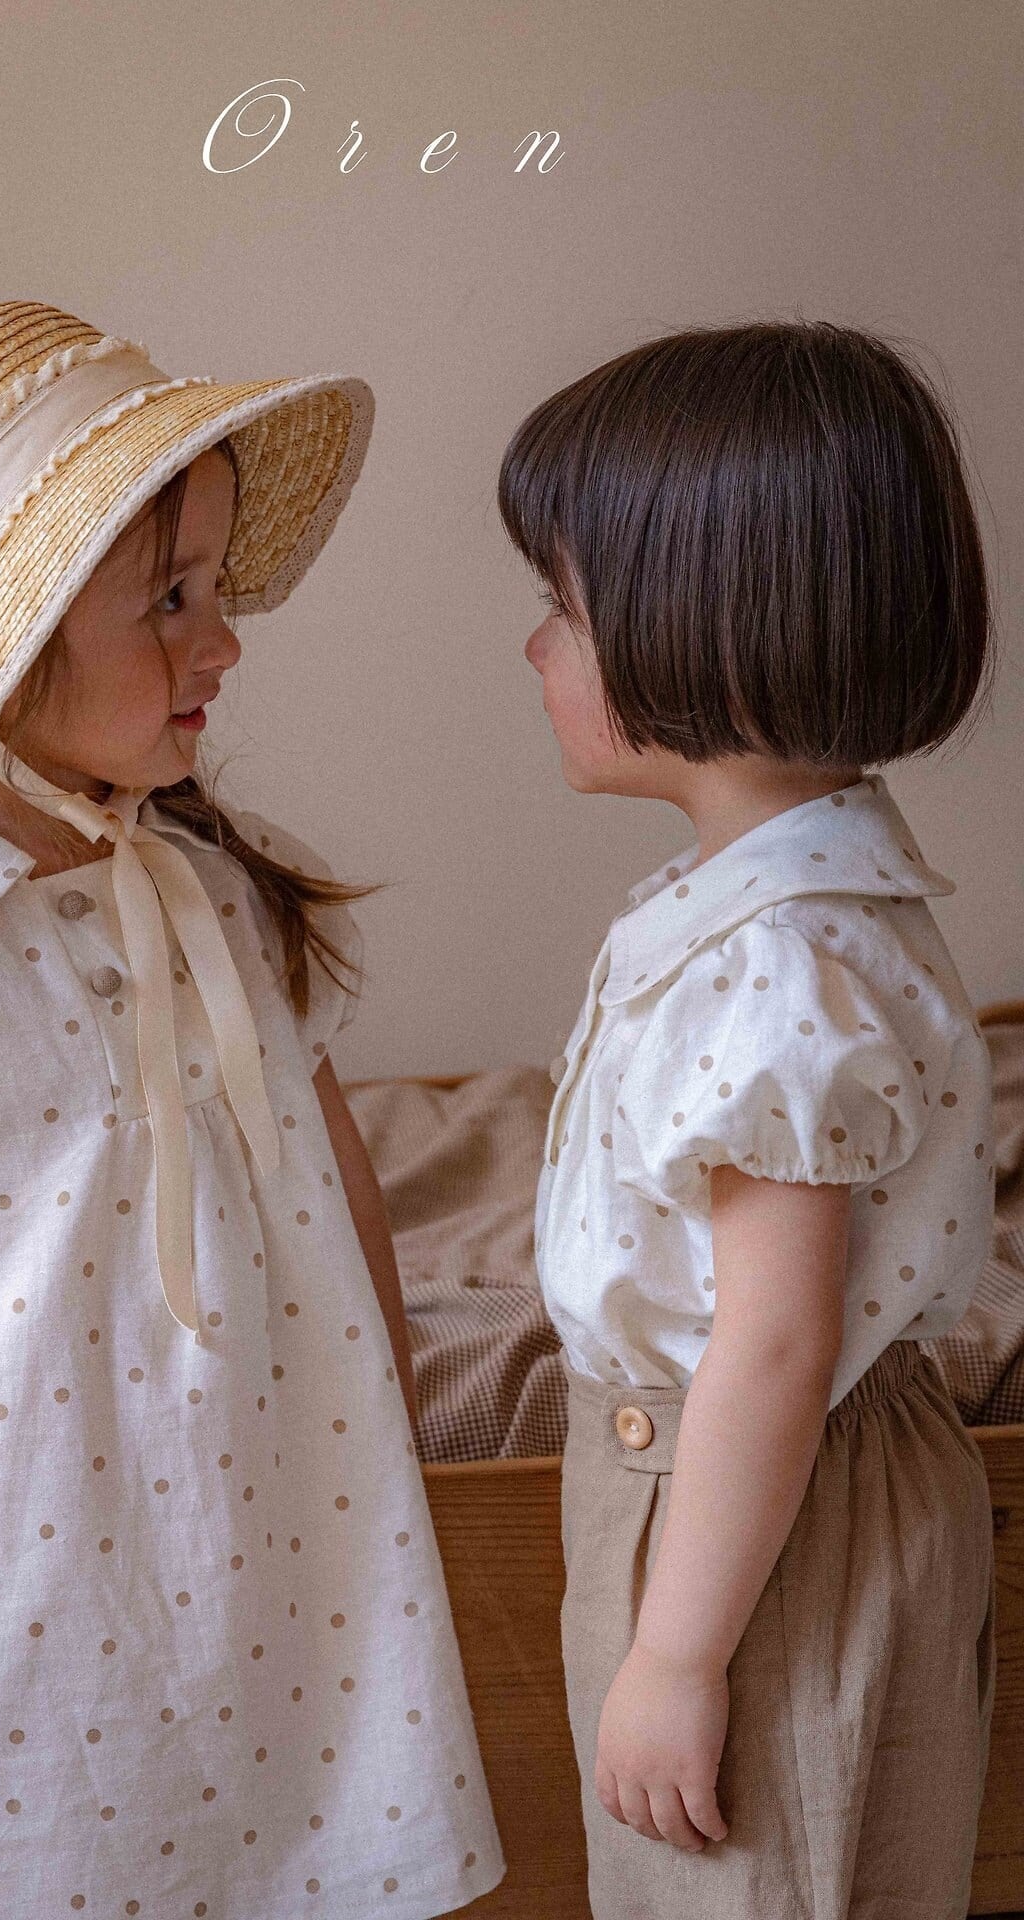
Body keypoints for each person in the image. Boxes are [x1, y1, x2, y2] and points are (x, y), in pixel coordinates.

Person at [0, 298, 504, 1917]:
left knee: (244, 1823)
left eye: (216, 590)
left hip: (244, 1519)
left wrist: (379, 1434)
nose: (222, 643)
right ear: (13, 641)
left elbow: (335, 1177)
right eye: (170, 599)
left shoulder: (214, 894)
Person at [497, 318, 998, 1918]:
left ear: (700, 630)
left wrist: (676, 1653)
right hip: (731, 1499)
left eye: (562, 606)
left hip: (749, 1524)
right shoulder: (766, 907)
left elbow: (774, 1345)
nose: (535, 649)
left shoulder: (781, 964)